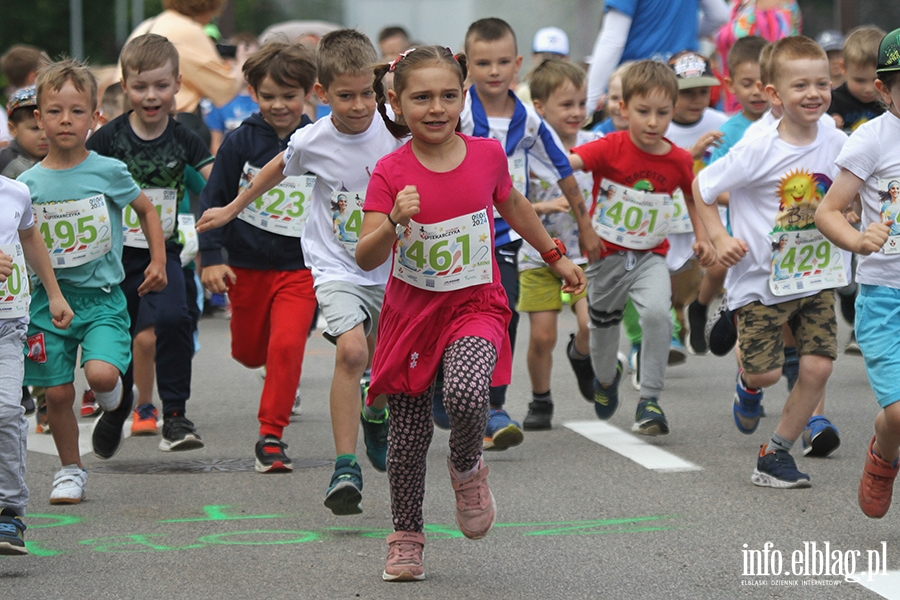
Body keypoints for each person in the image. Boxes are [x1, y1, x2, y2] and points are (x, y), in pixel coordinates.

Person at [357, 45, 586, 582]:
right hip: (413, 315)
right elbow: (365, 253)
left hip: (475, 304)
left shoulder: (485, 155)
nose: (436, 108)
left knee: (465, 391)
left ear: (463, 96)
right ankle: (407, 535)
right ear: (395, 101)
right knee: (408, 440)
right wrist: (393, 221)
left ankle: (465, 465)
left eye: (447, 96)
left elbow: (514, 206)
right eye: (421, 98)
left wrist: (554, 257)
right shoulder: (390, 171)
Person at [196, 29, 396, 515]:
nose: (358, 106)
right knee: (347, 351)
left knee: (384, 367)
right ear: (323, 96)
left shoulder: (395, 130)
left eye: (367, 94)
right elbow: (278, 167)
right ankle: (344, 466)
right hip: (332, 265)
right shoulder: (311, 138)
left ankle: (374, 407)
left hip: (391, 268)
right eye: (345, 97)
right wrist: (230, 209)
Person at [693, 36, 848, 488]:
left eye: (822, 83)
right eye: (800, 85)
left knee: (818, 367)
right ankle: (744, 373)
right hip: (760, 280)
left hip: (815, 275)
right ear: (775, 95)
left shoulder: (836, 139)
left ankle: (774, 454)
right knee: (765, 373)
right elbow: (704, 185)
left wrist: (848, 212)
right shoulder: (759, 147)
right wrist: (719, 237)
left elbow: (841, 190)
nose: (814, 93)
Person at [18, 58, 167, 503]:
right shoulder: (28, 185)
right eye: (55, 111)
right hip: (48, 303)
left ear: (95, 115)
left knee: (101, 376)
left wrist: (157, 260)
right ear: (38, 118)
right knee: (59, 394)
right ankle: (70, 471)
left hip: (102, 298)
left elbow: (146, 209)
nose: (66, 121)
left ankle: (117, 400)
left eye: (77, 111)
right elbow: (21, 240)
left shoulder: (108, 171)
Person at [455, 18, 598, 450]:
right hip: (452, 233)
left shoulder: (529, 120)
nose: (494, 71)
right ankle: (443, 387)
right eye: (483, 63)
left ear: (518, 65)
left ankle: (494, 408)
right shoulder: (457, 111)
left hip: (503, 235)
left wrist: (585, 224)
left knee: (504, 317)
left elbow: (561, 168)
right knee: (450, 316)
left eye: (502, 62)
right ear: (467, 66)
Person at [570, 60, 714, 436]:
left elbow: (692, 195)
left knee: (658, 316)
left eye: (663, 113)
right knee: (604, 331)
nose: (653, 122)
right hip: (605, 258)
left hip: (651, 255)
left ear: (673, 110)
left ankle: (650, 399)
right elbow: (571, 164)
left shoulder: (678, 158)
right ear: (623, 109)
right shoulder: (610, 147)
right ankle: (606, 378)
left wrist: (702, 236)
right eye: (643, 112)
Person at [86, 33, 213, 457]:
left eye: (161, 85)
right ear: (125, 87)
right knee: (118, 333)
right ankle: (118, 406)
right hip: (114, 257)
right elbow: (79, 177)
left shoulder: (185, 140)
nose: (151, 95)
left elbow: (214, 182)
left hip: (167, 253)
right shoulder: (108, 140)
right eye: (140, 87)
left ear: (178, 83)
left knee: (177, 319)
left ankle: (174, 416)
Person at [199, 41, 318, 473]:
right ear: (253, 92)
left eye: (289, 96)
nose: (279, 105)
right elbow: (213, 199)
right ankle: (266, 367)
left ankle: (271, 437)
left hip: (300, 268)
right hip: (246, 266)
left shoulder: (320, 142)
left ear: (309, 93)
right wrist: (212, 256)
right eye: (268, 96)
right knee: (250, 353)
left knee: (287, 345)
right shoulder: (240, 142)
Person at [816, 27, 900, 517]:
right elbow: (829, 211)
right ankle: (882, 458)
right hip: (885, 295)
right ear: (885, 91)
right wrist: (857, 240)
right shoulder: (871, 139)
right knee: (897, 415)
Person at [517, 59, 597, 430]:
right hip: (538, 257)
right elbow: (509, 203)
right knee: (542, 336)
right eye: (566, 105)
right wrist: (546, 205)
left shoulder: (594, 147)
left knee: (591, 325)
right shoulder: (526, 151)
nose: (577, 112)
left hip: (583, 255)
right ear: (539, 108)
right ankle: (541, 399)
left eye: (581, 103)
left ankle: (581, 356)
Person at [0, 174, 73, 554]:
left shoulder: (15, 191)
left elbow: (29, 237)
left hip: (6, 324)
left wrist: (54, 292)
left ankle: (9, 512)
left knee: (8, 411)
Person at [686, 36, 768, 355]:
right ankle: (701, 305)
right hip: (738, 224)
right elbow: (711, 186)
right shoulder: (729, 132)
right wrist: (745, 201)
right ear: (730, 85)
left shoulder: (790, 124)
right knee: (720, 268)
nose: (757, 91)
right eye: (748, 84)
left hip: (778, 227)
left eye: (764, 83)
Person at [586, 0, 730, 110]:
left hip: (638, 84)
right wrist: (685, 35)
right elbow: (720, 15)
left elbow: (612, 40)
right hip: (682, 78)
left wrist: (588, 103)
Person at [123, 0, 242, 114]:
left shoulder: (148, 24)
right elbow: (224, 90)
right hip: (172, 119)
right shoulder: (190, 31)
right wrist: (243, 61)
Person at [713, 0, 801, 113]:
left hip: (769, 101)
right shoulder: (737, 3)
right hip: (733, 97)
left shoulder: (783, 4)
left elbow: (785, 52)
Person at [204, 32, 261, 155]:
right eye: (239, 59)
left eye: (251, 59)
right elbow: (215, 144)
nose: (245, 66)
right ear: (228, 61)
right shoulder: (220, 100)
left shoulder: (265, 98)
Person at [828, 26, 886, 133]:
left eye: (877, 81)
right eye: (860, 80)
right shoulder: (831, 102)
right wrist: (827, 124)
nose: (869, 89)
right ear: (843, 68)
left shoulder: (891, 102)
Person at [1, 86, 48, 181]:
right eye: (35, 128)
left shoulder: (63, 158)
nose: (44, 136)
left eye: (48, 128)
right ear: (12, 129)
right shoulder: (4, 162)